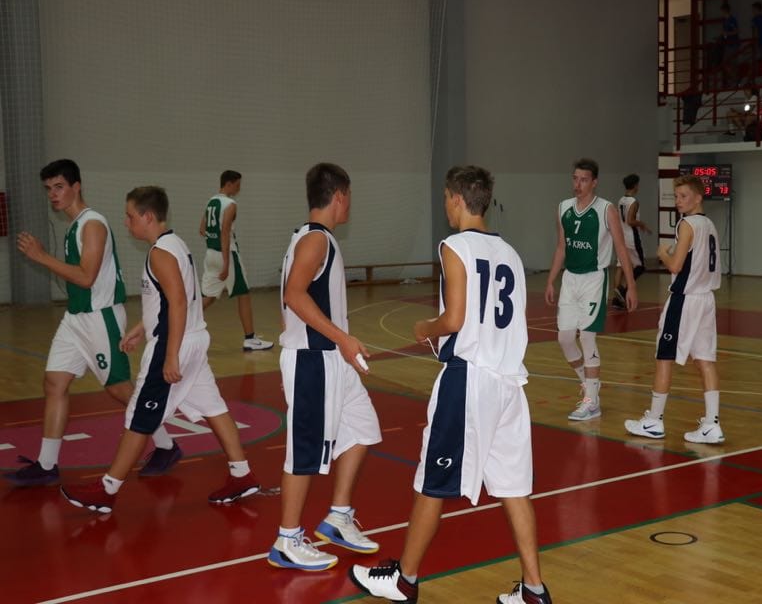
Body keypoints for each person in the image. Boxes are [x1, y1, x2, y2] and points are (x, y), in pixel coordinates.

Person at [350, 165, 552, 604]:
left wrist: (426, 327)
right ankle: (534, 590)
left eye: (446, 197)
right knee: (514, 489)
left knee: (432, 482)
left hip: (470, 380)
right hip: (509, 384)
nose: (445, 204)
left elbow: (455, 318)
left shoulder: (454, 246)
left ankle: (403, 580)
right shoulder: (511, 253)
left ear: (458, 199)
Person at [60, 186, 260, 513]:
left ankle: (107, 490)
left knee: (139, 416)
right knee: (213, 407)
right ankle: (242, 474)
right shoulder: (175, 244)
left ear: (148, 216)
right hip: (193, 338)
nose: (126, 222)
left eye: (130, 216)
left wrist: (170, 355)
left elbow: (178, 303)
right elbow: (172, 300)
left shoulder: (160, 253)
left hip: (175, 344)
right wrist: (142, 328)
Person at [5, 160, 180, 487]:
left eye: (59, 187)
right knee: (54, 382)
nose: (53, 194)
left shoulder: (93, 224)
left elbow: (86, 277)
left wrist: (41, 256)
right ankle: (47, 464)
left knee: (119, 388)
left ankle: (167, 445)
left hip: (100, 318)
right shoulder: (75, 226)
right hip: (75, 318)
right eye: (48, 189)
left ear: (76, 186)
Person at [267, 162, 382, 572]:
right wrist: (342, 338)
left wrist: (338, 344)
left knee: (364, 430)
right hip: (314, 361)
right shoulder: (315, 239)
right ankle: (287, 540)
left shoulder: (309, 237)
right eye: (349, 196)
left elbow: (291, 302)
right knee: (304, 453)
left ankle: (338, 516)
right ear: (339, 195)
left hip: (332, 360)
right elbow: (294, 295)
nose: (350, 203)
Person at [624, 175, 724, 444]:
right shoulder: (709, 225)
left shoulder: (687, 224)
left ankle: (654, 421)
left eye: (683, 196)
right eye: (677, 196)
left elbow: (676, 266)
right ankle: (712, 424)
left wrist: (662, 253)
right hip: (706, 299)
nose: (678, 201)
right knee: (705, 359)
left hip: (685, 299)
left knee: (664, 356)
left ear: (698, 197)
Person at [545, 158, 638, 421]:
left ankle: (591, 402)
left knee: (587, 337)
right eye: (575, 178)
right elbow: (561, 247)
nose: (578, 184)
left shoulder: (606, 209)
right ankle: (589, 386)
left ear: (594, 182)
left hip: (594, 279)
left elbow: (621, 249)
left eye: (584, 179)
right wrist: (551, 280)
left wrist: (631, 286)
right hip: (570, 279)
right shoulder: (563, 207)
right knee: (565, 339)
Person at [200, 170, 273, 351]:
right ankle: (250, 339)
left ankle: (181, 323)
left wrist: (214, 240)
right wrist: (226, 263)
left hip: (210, 254)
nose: (239, 188)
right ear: (229, 183)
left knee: (209, 296)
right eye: (238, 185)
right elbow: (225, 233)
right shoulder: (230, 204)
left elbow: (202, 229)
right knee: (244, 294)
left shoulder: (211, 201)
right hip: (227, 255)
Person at [611, 173, 650, 309]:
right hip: (632, 238)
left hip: (622, 237)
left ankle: (616, 299)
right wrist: (642, 224)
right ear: (635, 186)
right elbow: (630, 220)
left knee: (620, 266)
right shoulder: (634, 202)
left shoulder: (621, 200)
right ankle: (624, 290)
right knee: (640, 267)